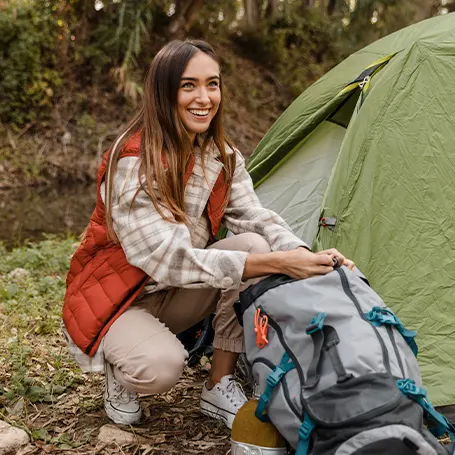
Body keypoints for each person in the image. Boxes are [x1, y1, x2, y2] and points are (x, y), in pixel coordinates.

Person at [62, 39, 354, 430]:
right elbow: (168, 260)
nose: (204, 97)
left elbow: (253, 215)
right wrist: (279, 262)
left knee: (255, 243)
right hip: (118, 300)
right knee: (161, 368)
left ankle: (218, 383)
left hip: (174, 294)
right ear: (163, 91)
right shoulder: (132, 160)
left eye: (212, 84)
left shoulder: (221, 154)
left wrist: (302, 254)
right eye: (188, 85)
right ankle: (121, 367)